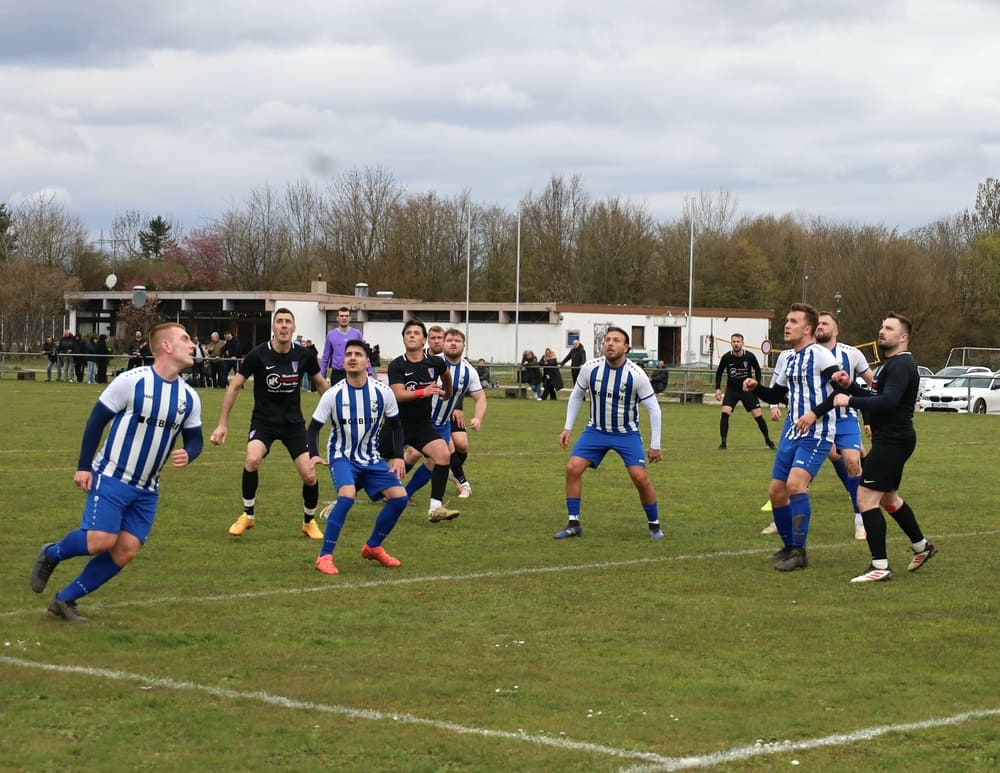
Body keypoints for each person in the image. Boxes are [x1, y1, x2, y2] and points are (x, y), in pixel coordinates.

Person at [30, 322, 203, 621]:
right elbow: (96, 422)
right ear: (166, 346)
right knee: (101, 540)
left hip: (148, 489)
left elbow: (196, 439)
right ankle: (52, 553)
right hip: (111, 476)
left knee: (125, 550)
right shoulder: (132, 381)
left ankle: (64, 599)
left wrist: (190, 453)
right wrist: (83, 467)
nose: (192, 345)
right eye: (185, 339)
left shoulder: (190, 397)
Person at [815, 313, 936, 583]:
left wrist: (849, 401)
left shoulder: (902, 365)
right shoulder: (888, 364)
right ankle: (921, 546)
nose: (882, 331)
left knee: (865, 499)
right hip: (891, 439)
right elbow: (878, 397)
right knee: (888, 499)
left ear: (903, 337)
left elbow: (889, 403)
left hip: (893, 440)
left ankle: (879, 566)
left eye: (889, 328)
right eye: (882, 326)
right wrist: (852, 388)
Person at [211, 308, 330, 539]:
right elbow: (234, 386)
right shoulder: (257, 355)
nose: (284, 326)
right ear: (273, 327)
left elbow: (322, 387)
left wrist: (340, 413)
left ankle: (309, 521)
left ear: (294, 328)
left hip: (294, 424)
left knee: (310, 476)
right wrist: (222, 424)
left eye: (288, 322)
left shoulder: (304, 355)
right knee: (252, 459)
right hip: (264, 422)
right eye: (280, 322)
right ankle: (248, 515)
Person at [743, 303, 841, 572]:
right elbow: (776, 395)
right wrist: (756, 388)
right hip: (791, 431)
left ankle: (800, 551)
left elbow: (839, 392)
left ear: (807, 328)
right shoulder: (787, 358)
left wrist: (813, 414)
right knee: (776, 491)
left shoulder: (821, 355)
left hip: (817, 432)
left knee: (796, 485)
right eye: (786, 320)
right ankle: (788, 546)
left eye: (793, 321)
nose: (787, 325)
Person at [308, 339, 410, 575]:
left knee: (400, 498)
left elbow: (396, 426)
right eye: (348, 354)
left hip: (372, 458)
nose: (352, 358)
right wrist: (313, 454)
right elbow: (313, 427)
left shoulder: (382, 392)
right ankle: (324, 556)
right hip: (342, 456)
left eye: (358, 354)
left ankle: (373, 546)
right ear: (343, 362)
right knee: (347, 495)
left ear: (367, 361)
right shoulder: (333, 394)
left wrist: (396, 457)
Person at [554, 326, 663, 540]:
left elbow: (654, 408)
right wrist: (568, 427)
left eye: (616, 340)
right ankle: (573, 524)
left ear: (626, 347)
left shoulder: (636, 374)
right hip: (596, 430)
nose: (610, 343)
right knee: (572, 469)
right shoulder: (590, 368)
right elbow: (576, 396)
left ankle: (655, 525)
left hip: (626, 433)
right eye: (608, 340)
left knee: (640, 477)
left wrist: (655, 444)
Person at [797, 311, 874, 540]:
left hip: (845, 416)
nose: (820, 326)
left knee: (851, 461)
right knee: (828, 457)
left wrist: (877, 409)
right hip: (818, 419)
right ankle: (783, 512)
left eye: (825, 324)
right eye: (818, 323)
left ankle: (860, 518)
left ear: (836, 330)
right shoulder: (806, 354)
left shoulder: (852, 354)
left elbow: (875, 383)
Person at [381, 319, 458, 522]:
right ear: (404, 339)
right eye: (408, 333)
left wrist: (448, 392)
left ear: (424, 340)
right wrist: (423, 392)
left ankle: (435, 508)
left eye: (416, 332)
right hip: (397, 425)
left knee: (443, 454)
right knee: (368, 460)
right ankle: (342, 499)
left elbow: (447, 376)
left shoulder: (435, 362)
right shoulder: (397, 365)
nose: (412, 335)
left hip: (422, 425)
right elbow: (398, 394)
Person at [405, 328, 487, 500]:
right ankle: (386, 486)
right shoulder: (430, 362)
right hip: (422, 421)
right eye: (449, 340)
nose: (453, 343)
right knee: (413, 454)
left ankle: (406, 494)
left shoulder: (469, 372)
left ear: (464, 346)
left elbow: (480, 398)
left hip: (443, 424)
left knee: (435, 460)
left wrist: (477, 418)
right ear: (444, 343)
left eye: (457, 341)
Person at [714, 334, 775, 450]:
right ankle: (723, 443)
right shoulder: (726, 357)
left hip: (747, 390)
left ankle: (768, 440)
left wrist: (755, 385)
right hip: (732, 390)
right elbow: (719, 372)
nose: (736, 344)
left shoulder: (750, 356)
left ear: (742, 343)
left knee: (758, 416)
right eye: (734, 341)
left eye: (738, 341)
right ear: (731, 343)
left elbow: (757, 370)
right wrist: (717, 389)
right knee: (725, 412)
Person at [320, 306, 363, 385]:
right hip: (337, 374)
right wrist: (322, 374)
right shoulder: (331, 335)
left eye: (346, 316)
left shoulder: (357, 334)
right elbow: (326, 357)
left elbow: (363, 354)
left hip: (354, 372)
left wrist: (369, 372)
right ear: (337, 318)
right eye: (341, 316)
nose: (344, 318)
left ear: (350, 318)